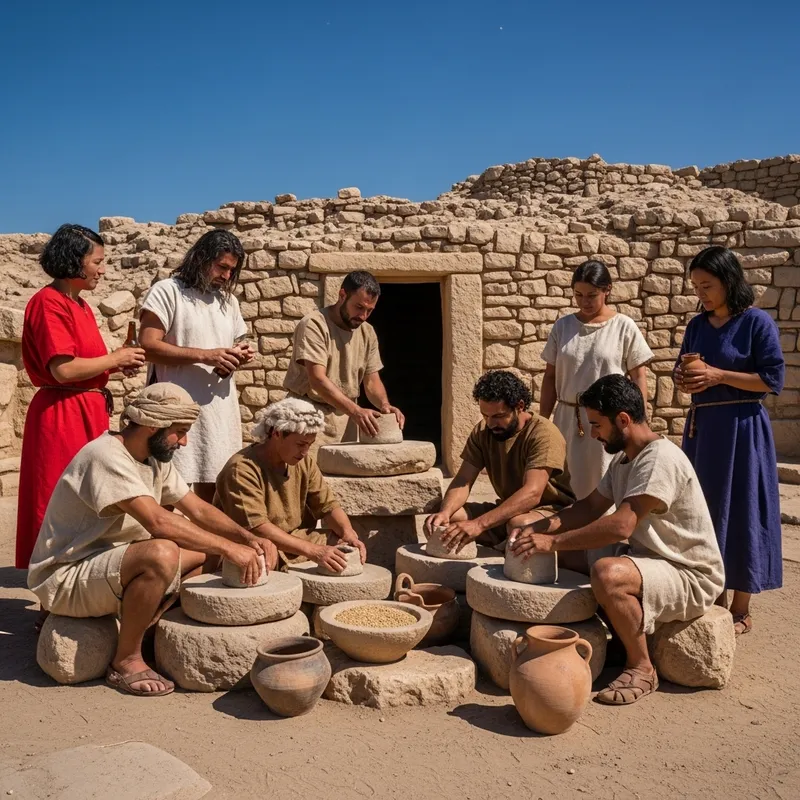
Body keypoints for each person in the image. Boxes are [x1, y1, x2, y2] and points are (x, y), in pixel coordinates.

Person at [27, 383, 270, 698]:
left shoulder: (155, 459)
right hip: (65, 575)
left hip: (110, 565)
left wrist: (247, 537)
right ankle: (125, 660)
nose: (184, 442)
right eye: (180, 432)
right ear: (154, 424)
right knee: (162, 552)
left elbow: (197, 509)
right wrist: (229, 548)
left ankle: (145, 627)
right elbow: (157, 520)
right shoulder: (105, 455)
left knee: (202, 550)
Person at [509, 375, 725, 706]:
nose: (592, 433)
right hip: (648, 560)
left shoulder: (658, 458)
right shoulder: (624, 458)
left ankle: (641, 666)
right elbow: (590, 508)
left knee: (606, 574)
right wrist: (545, 527)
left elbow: (622, 525)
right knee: (566, 558)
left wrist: (551, 542)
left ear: (623, 419)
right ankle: (613, 634)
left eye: (597, 424)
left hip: (689, 573)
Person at [16, 224, 146, 572]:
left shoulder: (81, 306)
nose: (102, 270)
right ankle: (51, 583)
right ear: (74, 261)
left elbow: (86, 366)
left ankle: (80, 571)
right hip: (62, 415)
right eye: (97, 262)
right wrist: (115, 359)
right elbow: (64, 370)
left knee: (89, 495)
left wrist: (116, 366)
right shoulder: (48, 303)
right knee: (60, 497)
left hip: (86, 410)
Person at [674, 246, 785, 635]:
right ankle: (712, 596)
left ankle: (741, 606)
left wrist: (719, 375)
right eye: (696, 286)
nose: (701, 293)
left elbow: (772, 380)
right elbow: (684, 368)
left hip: (742, 429)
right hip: (704, 432)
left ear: (729, 281)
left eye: (707, 285)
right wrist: (685, 378)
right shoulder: (697, 326)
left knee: (742, 509)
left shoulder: (756, 323)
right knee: (703, 512)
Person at [139, 230, 254, 503]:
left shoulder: (229, 302)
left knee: (214, 487)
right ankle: (162, 546)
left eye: (231, 270)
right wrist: (205, 356)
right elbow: (148, 345)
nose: (226, 276)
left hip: (218, 409)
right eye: (221, 267)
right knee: (166, 491)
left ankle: (207, 547)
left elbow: (233, 341)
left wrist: (239, 355)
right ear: (201, 259)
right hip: (173, 408)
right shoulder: (168, 291)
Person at [540, 260, 653, 505]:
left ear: (607, 290)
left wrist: (638, 418)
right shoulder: (563, 327)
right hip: (566, 417)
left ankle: (602, 540)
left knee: (603, 483)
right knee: (563, 483)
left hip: (606, 420)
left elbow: (638, 376)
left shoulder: (623, 326)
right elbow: (550, 377)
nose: (584, 301)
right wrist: (543, 420)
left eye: (592, 295)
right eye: (578, 295)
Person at [425, 370, 574, 555]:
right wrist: (445, 513)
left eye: (498, 416)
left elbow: (532, 493)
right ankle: (502, 542)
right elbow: (463, 479)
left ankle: (505, 543)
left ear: (519, 406)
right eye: (485, 416)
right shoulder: (483, 431)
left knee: (520, 525)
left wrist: (478, 524)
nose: (490, 423)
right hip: (508, 509)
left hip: (550, 512)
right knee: (446, 517)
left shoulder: (543, 434)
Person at [215, 397, 367, 571]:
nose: (304, 452)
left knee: (340, 544)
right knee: (261, 559)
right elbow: (257, 528)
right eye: (300, 444)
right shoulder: (242, 469)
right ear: (277, 433)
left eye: (309, 445)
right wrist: (314, 552)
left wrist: (347, 532)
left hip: (293, 539)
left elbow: (328, 506)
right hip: (254, 542)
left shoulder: (304, 462)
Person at [282, 270, 404, 455]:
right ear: (342, 295)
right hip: (308, 417)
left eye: (369, 311)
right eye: (359, 307)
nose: (363, 316)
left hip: (345, 420)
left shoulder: (367, 332)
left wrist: (384, 405)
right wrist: (356, 412)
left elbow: (372, 380)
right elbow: (317, 380)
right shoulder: (314, 324)